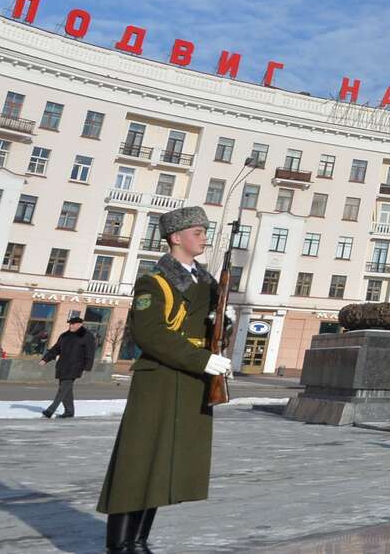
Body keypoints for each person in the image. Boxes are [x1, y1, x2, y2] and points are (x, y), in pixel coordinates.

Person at [96, 205, 230, 554]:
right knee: (137, 461)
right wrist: (203, 359)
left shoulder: (206, 282)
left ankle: (138, 541)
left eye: (204, 232)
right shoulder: (153, 281)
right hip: (159, 380)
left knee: (162, 463)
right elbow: (150, 334)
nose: (204, 239)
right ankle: (120, 544)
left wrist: (222, 321)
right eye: (198, 233)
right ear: (176, 238)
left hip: (189, 381)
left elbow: (208, 330)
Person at [40, 311, 96, 419]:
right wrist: (45, 359)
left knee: (63, 388)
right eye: (70, 324)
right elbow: (56, 349)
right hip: (62, 366)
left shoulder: (87, 336)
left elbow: (90, 353)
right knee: (66, 390)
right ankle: (69, 411)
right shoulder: (64, 335)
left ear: (80, 325)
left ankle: (50, 410)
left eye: (73, 324)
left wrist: (87, 367)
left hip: (75, 367)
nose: (71, 326)